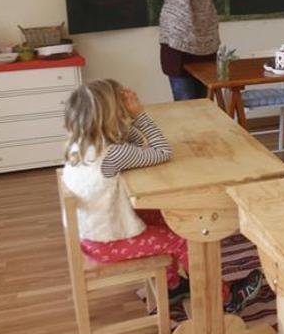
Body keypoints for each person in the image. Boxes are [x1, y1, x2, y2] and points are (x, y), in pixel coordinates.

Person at [61, 79, 262, 312]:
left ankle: (172, 285)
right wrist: (139, 115)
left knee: (166, 217)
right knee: (185, 238)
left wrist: (126, 121)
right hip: (107, 242)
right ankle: (225, 300)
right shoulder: (112, 154)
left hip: (92, 235)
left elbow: (133, 143)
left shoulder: (82, 144)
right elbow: (162, 152)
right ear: (113, 114)